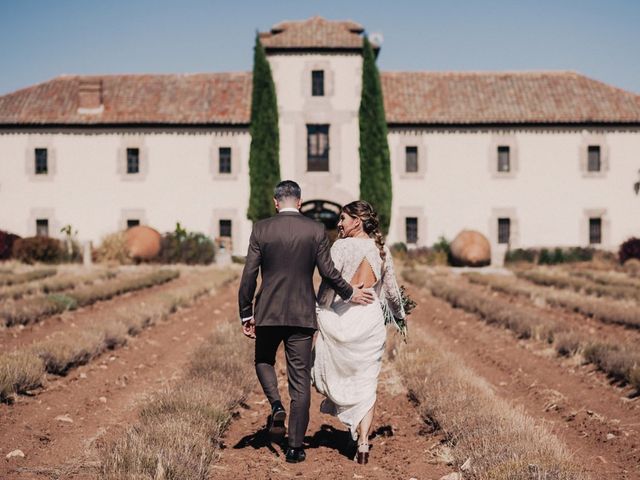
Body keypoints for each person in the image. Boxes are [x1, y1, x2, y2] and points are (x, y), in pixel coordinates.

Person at [238, 180, 374, 464]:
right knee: (300, 382)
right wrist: (350, 293)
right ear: (299, 202)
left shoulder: (261, 229)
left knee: (263, 360)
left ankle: (275, 404)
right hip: (302, 313)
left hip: (268, 312)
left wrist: (246, 312)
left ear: (277, 202)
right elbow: (328, 272)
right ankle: (296, 448)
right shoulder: (314, 230)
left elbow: (249, 274)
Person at [312, 200, 406, 465]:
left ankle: (351, 420)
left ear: (357, 221)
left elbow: (329, 286)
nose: (338, 223)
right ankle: (363, 443)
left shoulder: (341, 247)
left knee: (340, 373)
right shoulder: (382, 249)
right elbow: (392, 292)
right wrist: (400, 317)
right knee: (368, 381)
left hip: (345, 318)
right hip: (371, 322)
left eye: (342, 218)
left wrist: (320, 314)